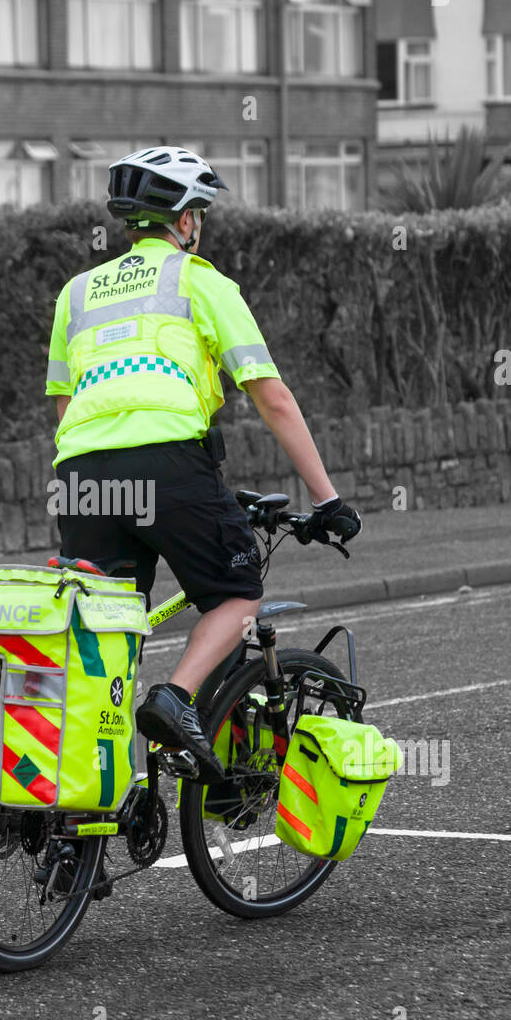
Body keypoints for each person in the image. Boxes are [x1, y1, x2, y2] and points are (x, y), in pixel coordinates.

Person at [45, 146, 361, 782]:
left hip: (80, 475)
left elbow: (63, 408)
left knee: (107, 634)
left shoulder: (76, 293)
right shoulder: (200, 281)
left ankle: (81, 812)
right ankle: (176, 700)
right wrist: (328, 500)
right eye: (200, 215)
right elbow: (270, 396)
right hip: (168, 463)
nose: (201, 227)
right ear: (185, 221)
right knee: (237, 593)